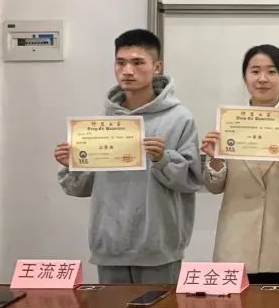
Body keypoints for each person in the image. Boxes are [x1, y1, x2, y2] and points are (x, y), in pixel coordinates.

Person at [54, 29, 201, 284]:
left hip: (159, 247)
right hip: (110, 245)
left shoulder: (179, 118)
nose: (127, 71)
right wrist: (72, 164)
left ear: (157, 67)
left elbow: (192, 180)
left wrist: (163, 159)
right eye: (120, 63)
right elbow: (81, 188)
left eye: (137, 62)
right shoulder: (101, 123)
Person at [200, 44, 279, 284]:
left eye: (271, 71)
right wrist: (214, 160)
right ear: (245, 77)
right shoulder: (228, 121)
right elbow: (214, 187)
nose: (262, 79)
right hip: (235, 240)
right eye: (255, 71)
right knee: (237, 307)